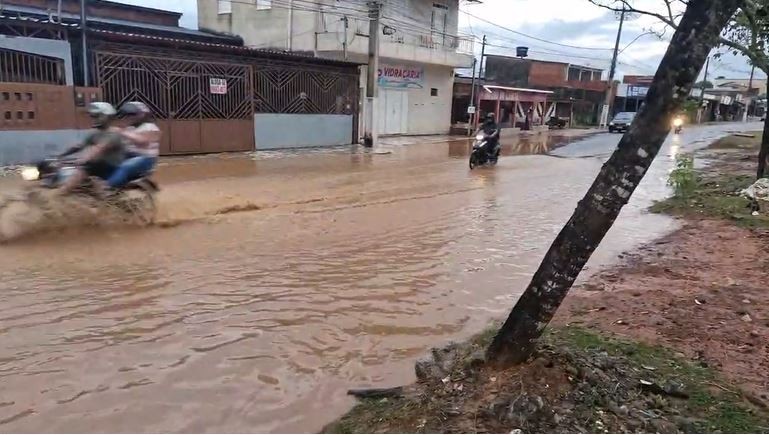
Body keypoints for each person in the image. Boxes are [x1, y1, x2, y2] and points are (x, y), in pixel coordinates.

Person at [58, 102, 125, 195]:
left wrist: (84, 159)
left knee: (85, 168)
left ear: (108, 117)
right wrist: (60, 155)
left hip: (111, 167)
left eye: (97, 116)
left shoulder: (114, 133)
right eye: (93, 116)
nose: (94, 119)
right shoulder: (95, 133)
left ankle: (61, 193)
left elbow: (100, 147)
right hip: (98, 165)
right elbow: (79, 146)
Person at [106, 101, 161, 189]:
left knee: (124, 167)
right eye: (127, 115)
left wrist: (121, 132)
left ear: (142, 115)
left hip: (145, 158)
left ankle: (108, 189)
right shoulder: (129, 128)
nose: (128, 117)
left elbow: (142, 141)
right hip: (129, 155)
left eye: (132, 114)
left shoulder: (150, 127)